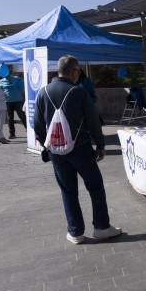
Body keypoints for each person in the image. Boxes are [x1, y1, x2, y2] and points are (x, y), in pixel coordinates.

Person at [33, 55, 122, 245]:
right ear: (74, 72)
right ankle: (101, 227)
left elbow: (37, 126)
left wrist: (47, 146)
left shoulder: (43, 93)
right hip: (81, 149)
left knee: (68, 191)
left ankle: (75, 232)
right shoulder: (79, 92)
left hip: (57, 152)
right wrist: (100, 145)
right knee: (95, 186)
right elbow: (93, 122)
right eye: (78, 72)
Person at [0, 72, 26, 139]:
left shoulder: (17, 78)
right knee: (10, 118)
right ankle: (12, 134)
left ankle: (29, 130)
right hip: (8, 102)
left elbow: (24, 81)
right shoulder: (1, 81)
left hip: (18, 101)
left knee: (22, 116)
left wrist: (21, 86)